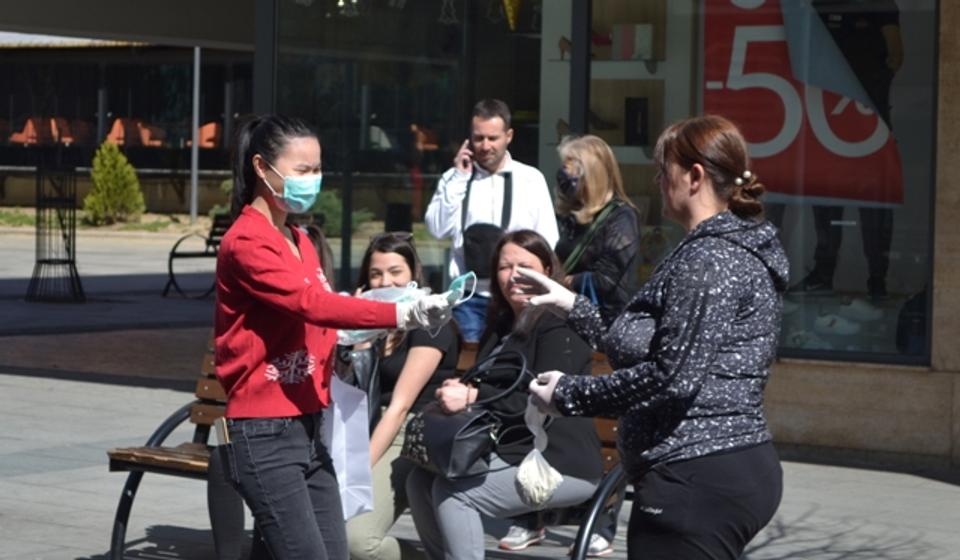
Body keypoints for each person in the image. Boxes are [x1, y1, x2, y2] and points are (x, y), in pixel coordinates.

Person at [523, 115, 788, 559]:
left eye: (663, 170)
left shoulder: (711, 260)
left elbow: (672, 376)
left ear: (695, 177)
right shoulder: (712, 248)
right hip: (703, 470)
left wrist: (569, 394)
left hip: (697, 476)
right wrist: (570, 305)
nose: (657, 180)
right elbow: (649, 348)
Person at [214, 114, 452, 560]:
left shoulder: (299, 239)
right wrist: (401, 312)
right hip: (265, 432)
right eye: (302, 170)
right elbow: (311, 304)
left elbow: (325, 318)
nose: (313, 180)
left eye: (318, 169)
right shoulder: (247, 241)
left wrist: (384, 315)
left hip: (309, 425)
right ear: (263, 168)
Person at [405, 229, 602, 560]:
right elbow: (486, 382)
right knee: (419, 480)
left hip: (558, 459)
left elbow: (545, 397)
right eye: (504, 268)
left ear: (548, 272)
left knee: (455, 495)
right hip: (507, 448)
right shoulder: (501, 325)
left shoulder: (560, 324)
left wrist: (472, 396)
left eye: (524, 267)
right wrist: (459, 388)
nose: (514, 276)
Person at [499, 133, 639, 556]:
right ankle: (531, 512)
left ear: (591, 171)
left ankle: (598, 514)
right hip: (563, 324)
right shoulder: (569, 217)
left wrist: (567, 283)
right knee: (537, 404)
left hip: (605, 330)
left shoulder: (620, 218)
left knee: (587, 422)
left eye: (572, 169)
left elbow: (615, 281)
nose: (564, 177)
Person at [344, 232, 461, 560]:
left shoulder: (431, 319)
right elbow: (352, 391)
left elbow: (400, 405)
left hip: (409, 433)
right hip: (367, 426)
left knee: (358, 542)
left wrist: (358, 469)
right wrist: (358, 332)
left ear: (414, 274)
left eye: (396, 272)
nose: (386, 281)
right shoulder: (374, 323)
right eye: (376, 274)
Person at [790, 0, 902, 301]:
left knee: (873, 201)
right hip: (830, 116)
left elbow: (895, 55)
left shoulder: (879, 5)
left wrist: (866, 84)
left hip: (866, 118)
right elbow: (803, 55)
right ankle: (826, 274)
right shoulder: (819, 5)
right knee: (827, 197)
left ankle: (876, 279)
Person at [424, 99, 559, 342]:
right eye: (478, 138)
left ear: (509, 136)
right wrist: (457, 179)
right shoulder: (454, 179)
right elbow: (437, 229)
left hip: (518, 295)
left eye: (493, 138)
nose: (485, 146)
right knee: (469, 364)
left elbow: (548, 239)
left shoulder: (530, 179)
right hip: (469, 297)